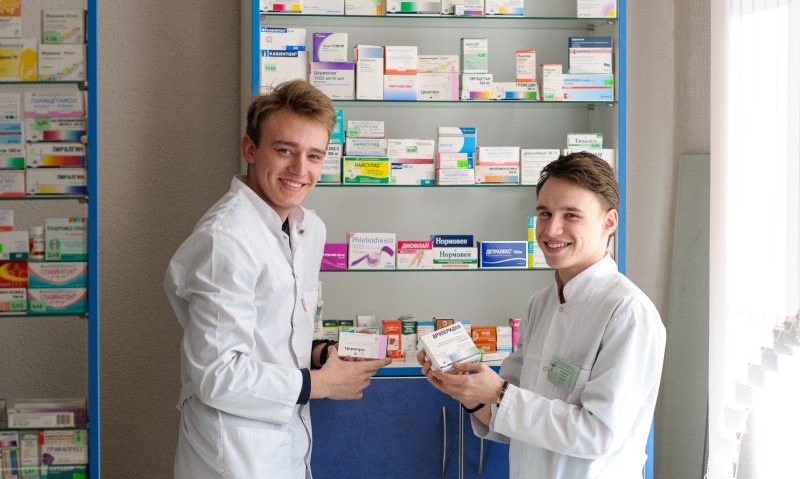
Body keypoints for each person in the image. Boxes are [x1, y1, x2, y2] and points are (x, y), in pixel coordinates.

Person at [164, 79, 391, 479]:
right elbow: (217, 375)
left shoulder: (309, 228)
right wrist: (320, 385)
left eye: (314, 155)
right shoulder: (226, 238)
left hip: (287, 443)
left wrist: (320, 354)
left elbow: (277, 328)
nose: (300, 170)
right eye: (285, 150)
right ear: (250, 149)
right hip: (232, 454)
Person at [418, 151, 666, 478]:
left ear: (609, 222)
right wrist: (469, 393)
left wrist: (499, 393)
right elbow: (511, 419)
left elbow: (599, 434)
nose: (552, 229)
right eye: (545, 213)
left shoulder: (628, 313)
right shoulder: (540, 304)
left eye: (571, 215)